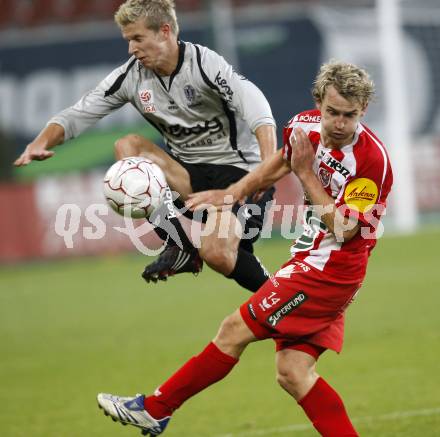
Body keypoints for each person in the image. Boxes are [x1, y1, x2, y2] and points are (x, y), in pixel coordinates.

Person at [96, 60, 393, 436]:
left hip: (331, 273)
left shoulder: (372, 162)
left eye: (349, 116)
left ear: (363, 110)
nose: (339, 123)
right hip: (309, 260)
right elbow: (276, 166)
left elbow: (346, 229)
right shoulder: (303, 128)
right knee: (293, 373)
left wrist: (304, 172)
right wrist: (230, 194)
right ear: (318, 102)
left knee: (233, 330)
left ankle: (156, 408)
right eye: (332, 112)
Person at [13, 0, 277, 293]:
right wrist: (40, 142)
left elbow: (257, 107)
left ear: (165, 31)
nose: (131, 49)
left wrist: (266, 169)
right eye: (128, 41)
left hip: (239, 176)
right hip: (189, 179)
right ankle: (176, 244)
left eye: (137, 38)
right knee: (128, 145)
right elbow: (77, 114)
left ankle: (285, 300)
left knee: (217, 253)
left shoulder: (203, 64)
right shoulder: (131, 77)